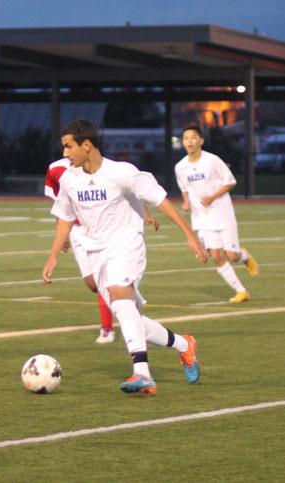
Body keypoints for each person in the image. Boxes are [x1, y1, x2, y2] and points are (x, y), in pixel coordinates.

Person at [42, 118, 208, 395]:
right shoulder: (69, 179)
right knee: (129, 314)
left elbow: (160, 199)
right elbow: (65, 218)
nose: (65, 154)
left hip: (127, 244)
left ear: (87, 145)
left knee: (120, 298)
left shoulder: (122, 172)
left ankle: (142, 373)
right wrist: (53, 256)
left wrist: (189, 235)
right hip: (97, 252)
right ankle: (183, 344)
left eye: (69, 147)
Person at [44, 157, 161, 344]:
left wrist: (145, 212)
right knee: (92, 284)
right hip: (78, 232)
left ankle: (108, 328)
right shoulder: (56, 169)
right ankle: (129, 297)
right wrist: (61, 237)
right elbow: (60, 206)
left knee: (107, 284)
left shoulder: (104, 167)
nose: (67, 149)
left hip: (105, 232)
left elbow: (126, 191)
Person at [175, 123, 259, 303]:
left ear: (201, 141)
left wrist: (213, 197)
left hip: (222, 213)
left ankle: (243, 255)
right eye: (186, 138)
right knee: (216, 255)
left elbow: (230, 182)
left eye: (193, 137)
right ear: (183, 143)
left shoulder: (212, 161)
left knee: (232, 256)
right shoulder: (180, 167)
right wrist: (186, 201)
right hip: (202, 218)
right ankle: (241, 290)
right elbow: (185, 188)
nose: (189, 141)